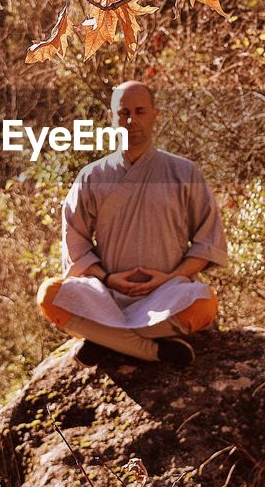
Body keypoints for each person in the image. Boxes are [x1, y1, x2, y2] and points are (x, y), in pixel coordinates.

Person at [35, 81, 226, 367]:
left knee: (205, 303)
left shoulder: (184, 172)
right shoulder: (92, 177)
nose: (131, 120)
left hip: (166, 294)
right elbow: (75, 241)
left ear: (154, 115)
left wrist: (170, 277)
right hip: (108, 295)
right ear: (111, 118)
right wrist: (108, 278)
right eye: (123, 112)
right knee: (49, 295)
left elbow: (208, 241)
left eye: (140, 111)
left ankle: (106, 339)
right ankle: (150, 350)